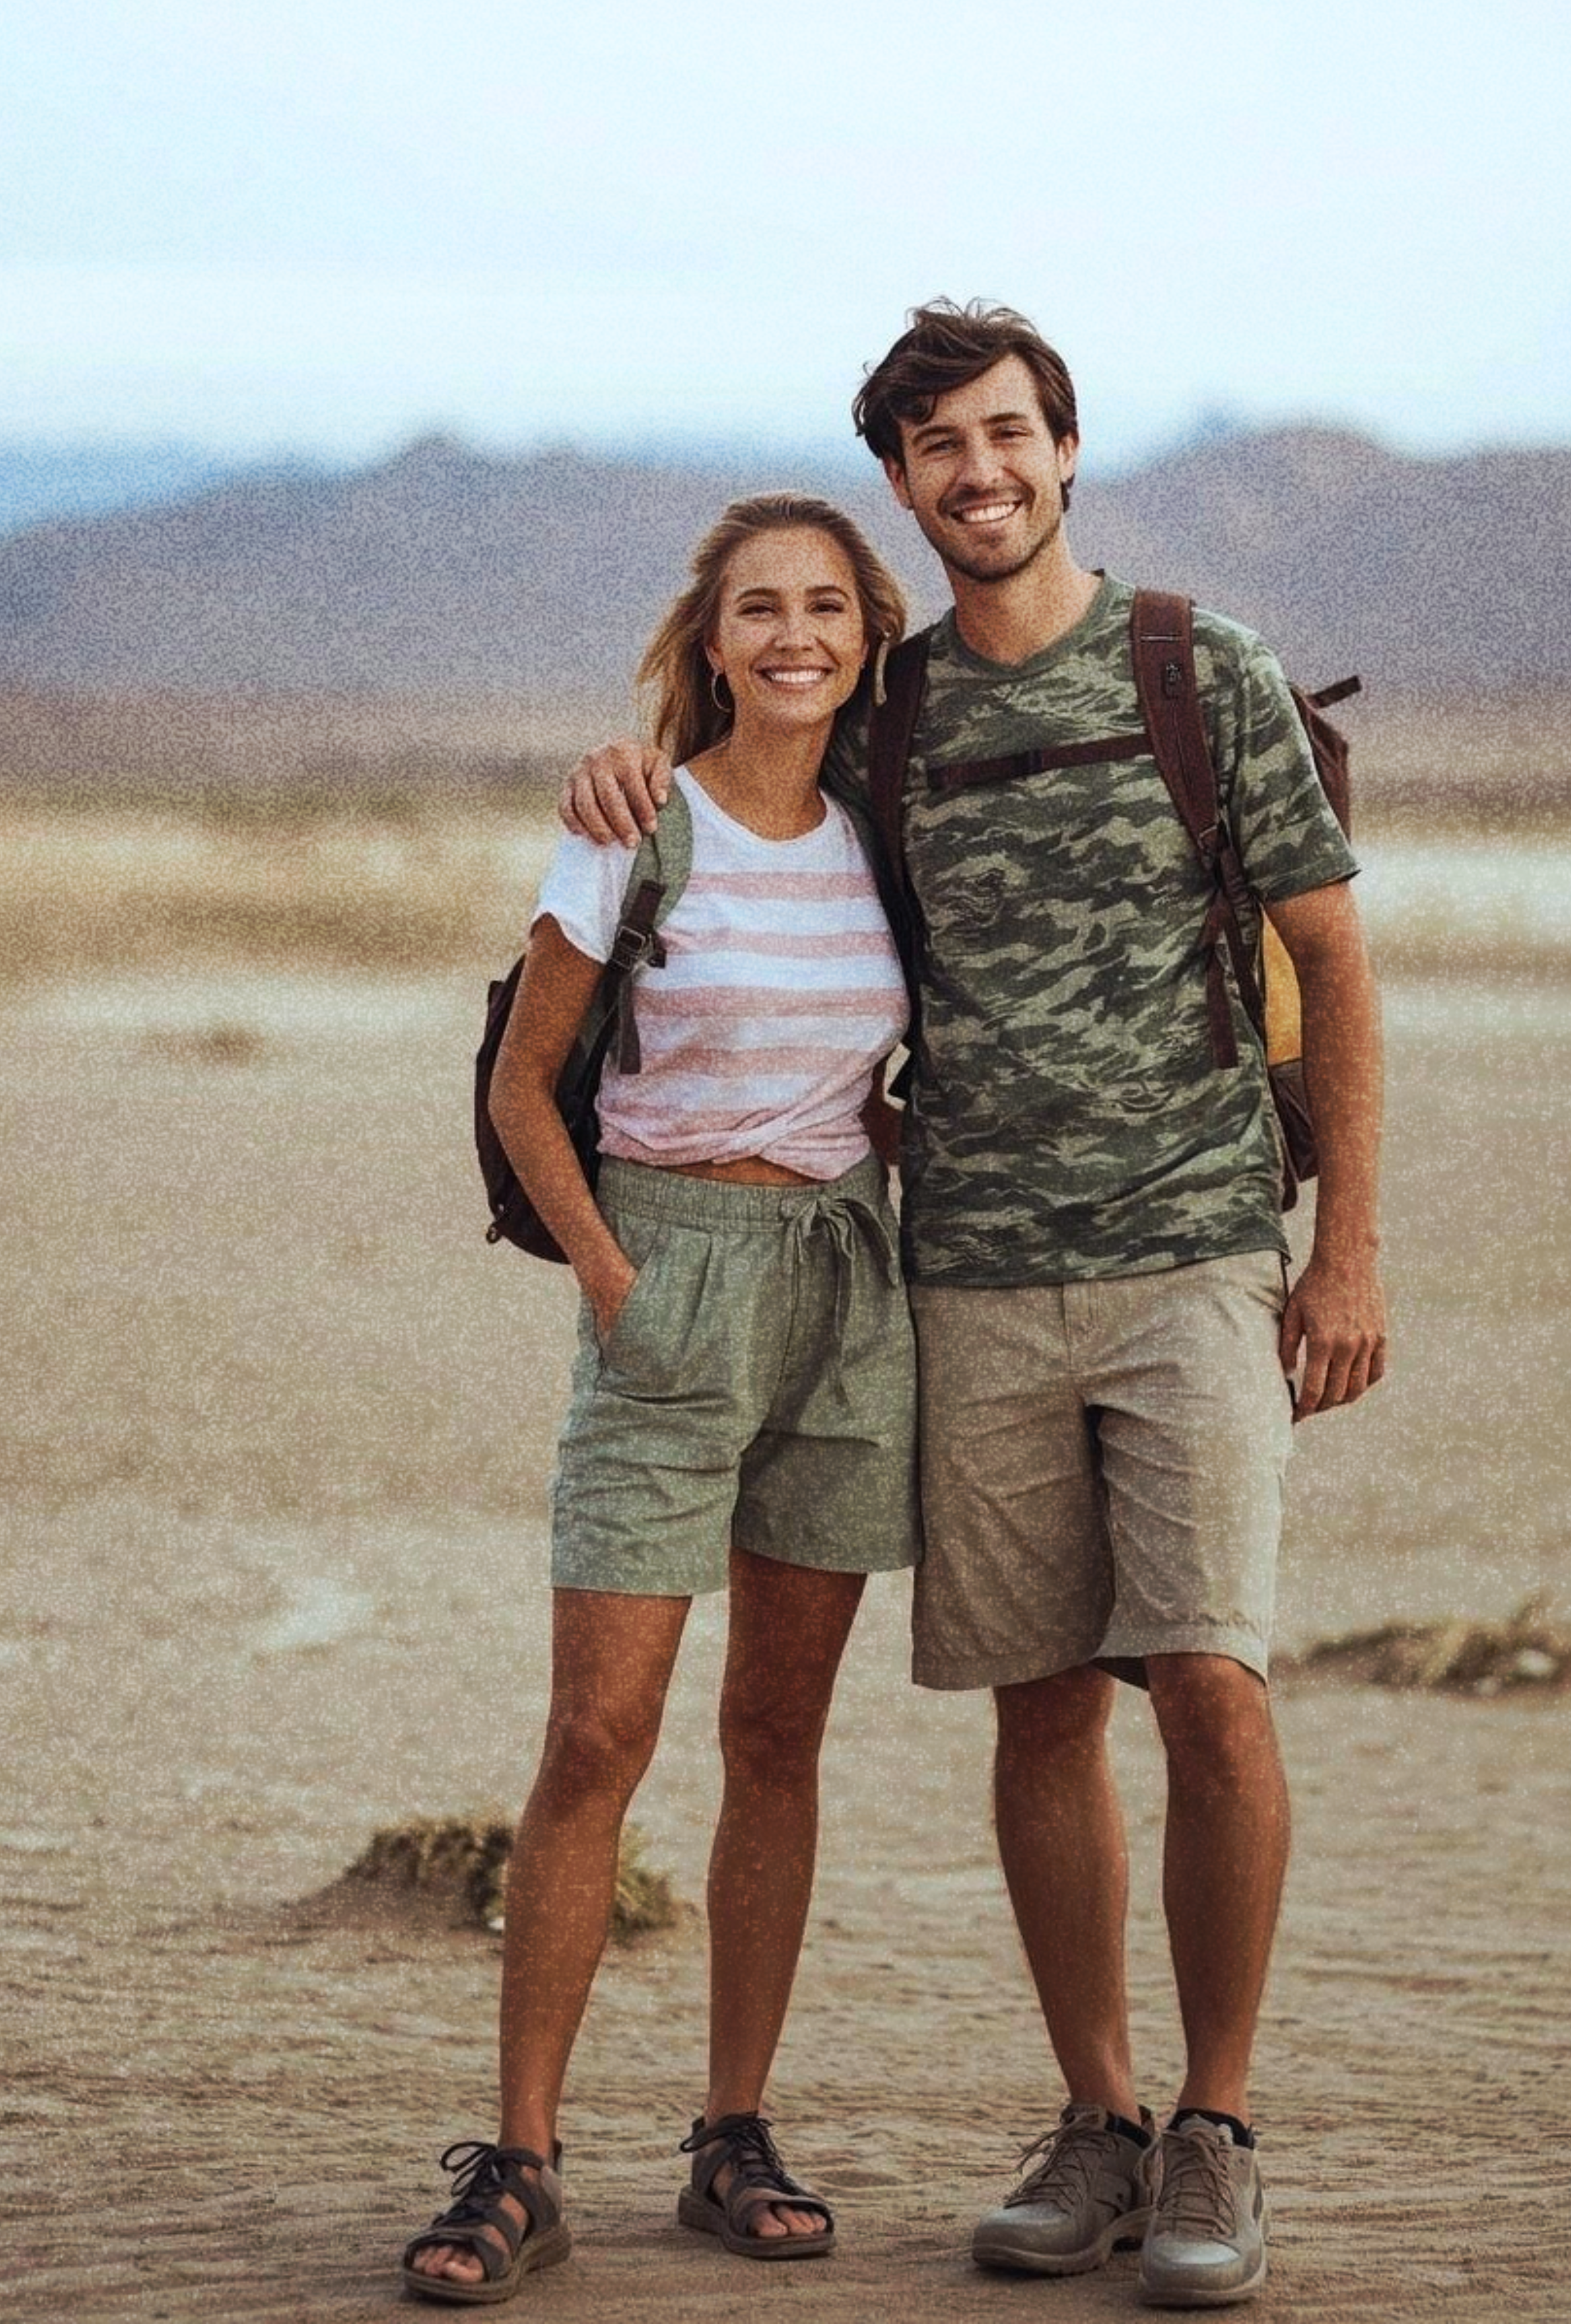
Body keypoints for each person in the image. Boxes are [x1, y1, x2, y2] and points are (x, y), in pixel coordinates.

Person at [563, 302, 1388, 2310]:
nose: (980, 474)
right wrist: (623, 757)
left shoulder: (1204, 671)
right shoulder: (894, 716)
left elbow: (1334, 965)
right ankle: (1095, 2120)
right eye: (937, 451)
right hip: (967, 1277)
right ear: (905, 486)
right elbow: (743, 773)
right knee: (1036, 1714)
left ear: (1065, 449)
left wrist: (1347, 1245)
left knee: (1207, 1677)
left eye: (1007, 436)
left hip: (1193, 1255)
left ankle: (1217, 2129)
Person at [402, 494, 918, 2305]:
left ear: (869, 633)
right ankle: (520, 2163)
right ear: (712, 638)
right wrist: (614, 1277)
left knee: (777, 1742)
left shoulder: (888, 832)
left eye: (829, 607)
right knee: (597, 1740)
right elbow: (527, 1088)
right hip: (670, 1283)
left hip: (850, 1303)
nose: (797, 635)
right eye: (760, 608)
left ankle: (730, 2133)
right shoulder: (637, 826)